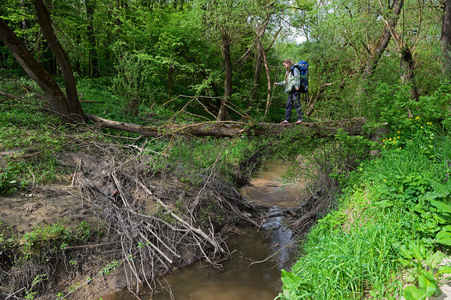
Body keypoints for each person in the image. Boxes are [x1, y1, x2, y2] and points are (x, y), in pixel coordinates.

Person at [274, 59, 303, 124]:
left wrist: (297, 86)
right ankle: (287, 120)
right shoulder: (288, 71)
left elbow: (297, 78)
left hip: (295, 89)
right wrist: (278, 84)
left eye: (284, 65)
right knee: (288, 105)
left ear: (288, 63)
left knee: (297, 104)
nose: (284, 66)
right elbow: (286, 82)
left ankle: (300, 119)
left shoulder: (294, 69)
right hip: (290, 90)